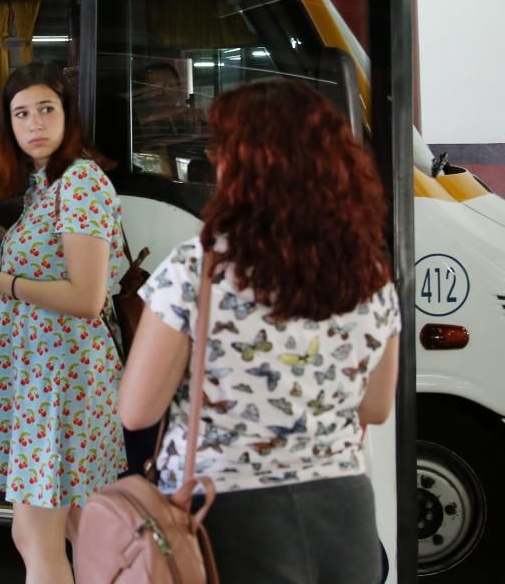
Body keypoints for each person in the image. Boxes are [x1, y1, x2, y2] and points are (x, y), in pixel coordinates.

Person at [118, 78, 401, 584]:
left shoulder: (197, 270)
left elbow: (137, 410)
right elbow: (376, 407)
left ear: (242, 166)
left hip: (225, 511)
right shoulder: (371, 275)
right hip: (344, 509)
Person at [0, 60, 127, 584]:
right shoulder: (46, 184)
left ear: (66, 115)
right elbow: (55, 266)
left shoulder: (80, 183)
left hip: (62, 382)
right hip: (45, 378)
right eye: (21, 113)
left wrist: (1, 286)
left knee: (35, 536)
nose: (34, 124)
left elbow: (87, 297)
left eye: (46, 109)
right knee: (80, 529)